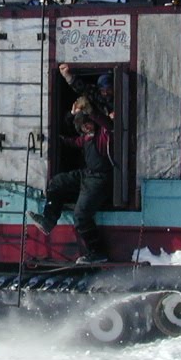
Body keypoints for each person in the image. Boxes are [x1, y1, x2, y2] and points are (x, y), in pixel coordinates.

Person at [27, 104, 114, 265]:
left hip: (100, 179)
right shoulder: (85, 139)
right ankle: (49, 220)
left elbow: (108, 125)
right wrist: (56, 136)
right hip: (87, 174)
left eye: (88, 123)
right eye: (83, 126)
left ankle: (97, 252)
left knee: (81, 215)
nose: (87, 127)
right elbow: (72, 141)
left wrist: (91, 111)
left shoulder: (103, 136)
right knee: (57, 183)